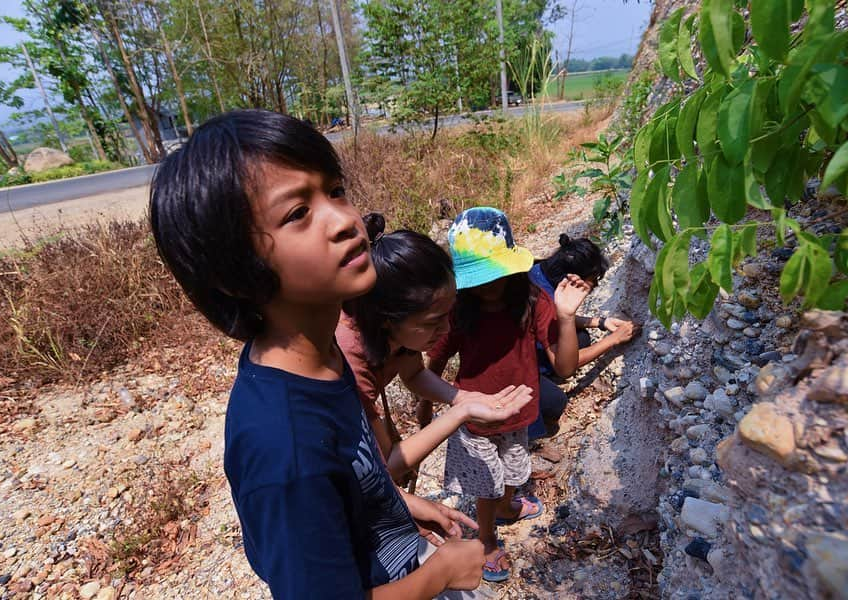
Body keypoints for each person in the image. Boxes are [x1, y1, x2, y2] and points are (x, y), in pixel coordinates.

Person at [149, 109, 486, 599]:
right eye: (297, 214)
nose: (346, 221)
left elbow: (356, 469)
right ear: (234, 270)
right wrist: (442, 572)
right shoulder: (284, 449)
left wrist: (399, 502)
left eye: (335, 190)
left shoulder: (324, 357)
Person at [424, 207, 591, 583]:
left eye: (495, 273)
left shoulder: (531, 300)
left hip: (520, 411)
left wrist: (566, 318)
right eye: (478, 277)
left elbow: (564, 368)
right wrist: (426, 407)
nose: (488, 285)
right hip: (475, 417)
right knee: (486, 483)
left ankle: (507, 506)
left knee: (515, 469)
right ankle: (485, 538)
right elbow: (432, 363)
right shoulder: (458, 311)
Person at [338, 213, 533, 481]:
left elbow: (414, 373)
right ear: (387, 319)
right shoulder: (348, 360)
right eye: (435, 321)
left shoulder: (398, 330)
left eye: (447, 314)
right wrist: (460, 413)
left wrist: (460, 397)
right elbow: (389, 463)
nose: (447, 330)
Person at [527, 234, 638, 446]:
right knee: (554, 403)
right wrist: (613, 339)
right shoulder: (545, 301)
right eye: (592, 283)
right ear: (573, 279)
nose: (591, 288)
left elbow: (553, 318)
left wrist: (600, 322)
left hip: (526, 343)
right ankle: (530, 436)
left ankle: (542, 375)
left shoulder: (538, 270)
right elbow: (565, 367)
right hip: (515, 371)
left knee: (581, 338)